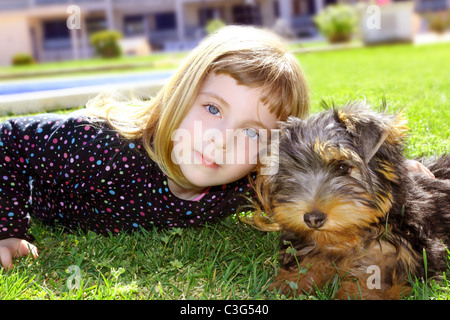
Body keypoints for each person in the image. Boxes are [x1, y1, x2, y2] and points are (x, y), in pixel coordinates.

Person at [0, 26, 433, 271]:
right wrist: (9, 225)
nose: (222, 140)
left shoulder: (244, 181)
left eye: (251, 133)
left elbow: (322, 174)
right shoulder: (98, 147)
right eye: (211, 107)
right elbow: (7, 142)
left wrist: (387, 169)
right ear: (178, 95)